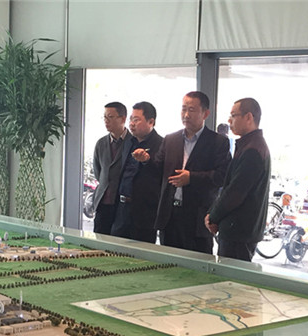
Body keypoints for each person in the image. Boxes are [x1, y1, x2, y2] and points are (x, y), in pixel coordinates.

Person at [133, 91, 231, 254]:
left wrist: (191, 177)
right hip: (170, 216)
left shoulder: (218, 142)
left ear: (205, 113)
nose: (186, 114)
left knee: (197, 264)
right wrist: (146, 160)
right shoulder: (171, 139)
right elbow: (158, 170)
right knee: (168, 263)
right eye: (183, 109)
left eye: (191, 110)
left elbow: (223, 176)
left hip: (197, 219)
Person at [205, 98, 271, 262]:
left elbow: (235, 193)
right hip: (239, 230)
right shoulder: (251, 145)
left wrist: (213, 217)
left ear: (249, 117)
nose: (229, 121)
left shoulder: (252, 150)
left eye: (233, 115)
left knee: (230, 276)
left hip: (239, 231)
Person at [111, 102, 163, 243]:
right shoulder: (129, 142)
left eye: (136, 120)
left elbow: (162, 175)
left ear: (151, 122)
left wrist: (147, 161)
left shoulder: (161, 144)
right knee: (115, 249)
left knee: (140, 253)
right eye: (131, 119)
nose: (131, 124)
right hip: (122, 208)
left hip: (144, 213)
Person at [91, 102, 132, 235]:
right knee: (99, 239)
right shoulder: (101, 143)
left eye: (110, 117)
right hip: (102, 202)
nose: (106, 121)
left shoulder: (133, 142)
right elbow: (98, 172)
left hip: (122, 204)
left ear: (123, 118)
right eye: (104, 117)